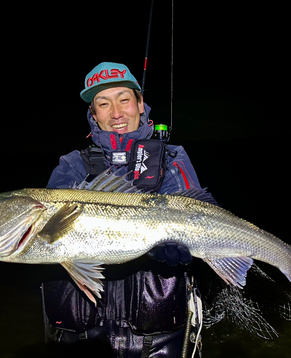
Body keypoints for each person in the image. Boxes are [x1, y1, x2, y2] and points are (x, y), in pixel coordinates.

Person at [42, 62, 203, 357]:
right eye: (103, 104)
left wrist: (178, 250)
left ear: (141, 104)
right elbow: (50, 236)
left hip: (155, 337)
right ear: (93, 114)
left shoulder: (172, 158)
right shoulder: (72, 165)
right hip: (83, 339)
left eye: (124, 100)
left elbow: (193, 214)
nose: (116, 113)